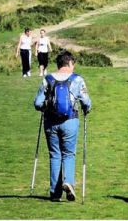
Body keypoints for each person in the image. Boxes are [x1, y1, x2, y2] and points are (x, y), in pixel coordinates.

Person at [33, 51, 92, 202]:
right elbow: (86, 102)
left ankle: (55, 192)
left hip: (50, 123)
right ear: (70, 63)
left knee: (55, 155)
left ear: (58, 64)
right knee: (69, 154)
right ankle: (68, 182)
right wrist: (86, 109)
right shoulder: (77, 79)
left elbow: (38, 103)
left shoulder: (48, 79)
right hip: (70, 121)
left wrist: (46, 106)